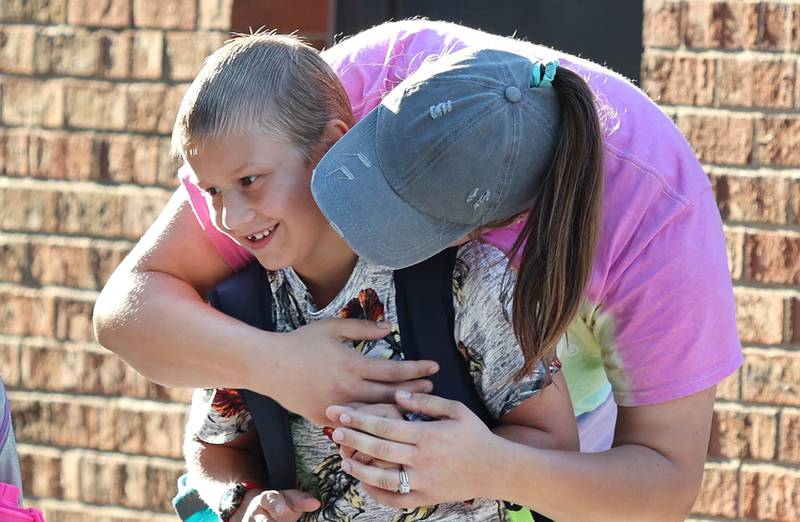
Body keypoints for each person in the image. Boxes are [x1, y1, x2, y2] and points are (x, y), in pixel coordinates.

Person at [93, 20, 742, 521]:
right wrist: (280, 370)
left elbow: (662, 484)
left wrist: (494, 468)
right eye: (359, 178)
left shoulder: (652, 226)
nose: (359, 243)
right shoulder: (327, 90)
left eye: (397, 224)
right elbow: (131, 310)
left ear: (485, 234)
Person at [174, 32, 577, 522]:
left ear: (331, 147)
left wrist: (440, 453)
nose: (231, 218)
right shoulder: (241, 311)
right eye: (212, 190)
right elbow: (212, 450)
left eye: (248, 181)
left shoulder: (469, 284)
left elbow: (555, 446)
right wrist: (241, 503)